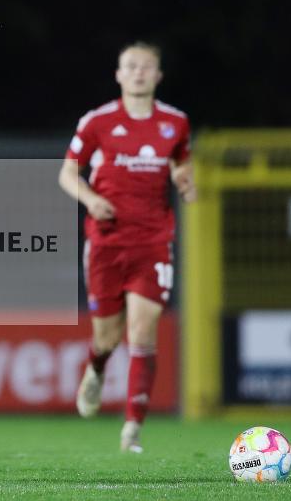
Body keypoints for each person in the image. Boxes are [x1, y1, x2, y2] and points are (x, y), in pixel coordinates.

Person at [58, 42, 195, 453]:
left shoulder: (175, 123)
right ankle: (96, 367)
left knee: (142, 332)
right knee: (108, 338)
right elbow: (67, 174)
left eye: (146, 67)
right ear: (119, 75)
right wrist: (90, 199)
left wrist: (185, 179)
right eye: (130, 67)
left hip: (153, 241)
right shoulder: (98, 122)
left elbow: (181, 163)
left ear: (158, 76)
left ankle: (132, 428)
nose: (138, 73)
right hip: (107, 243)